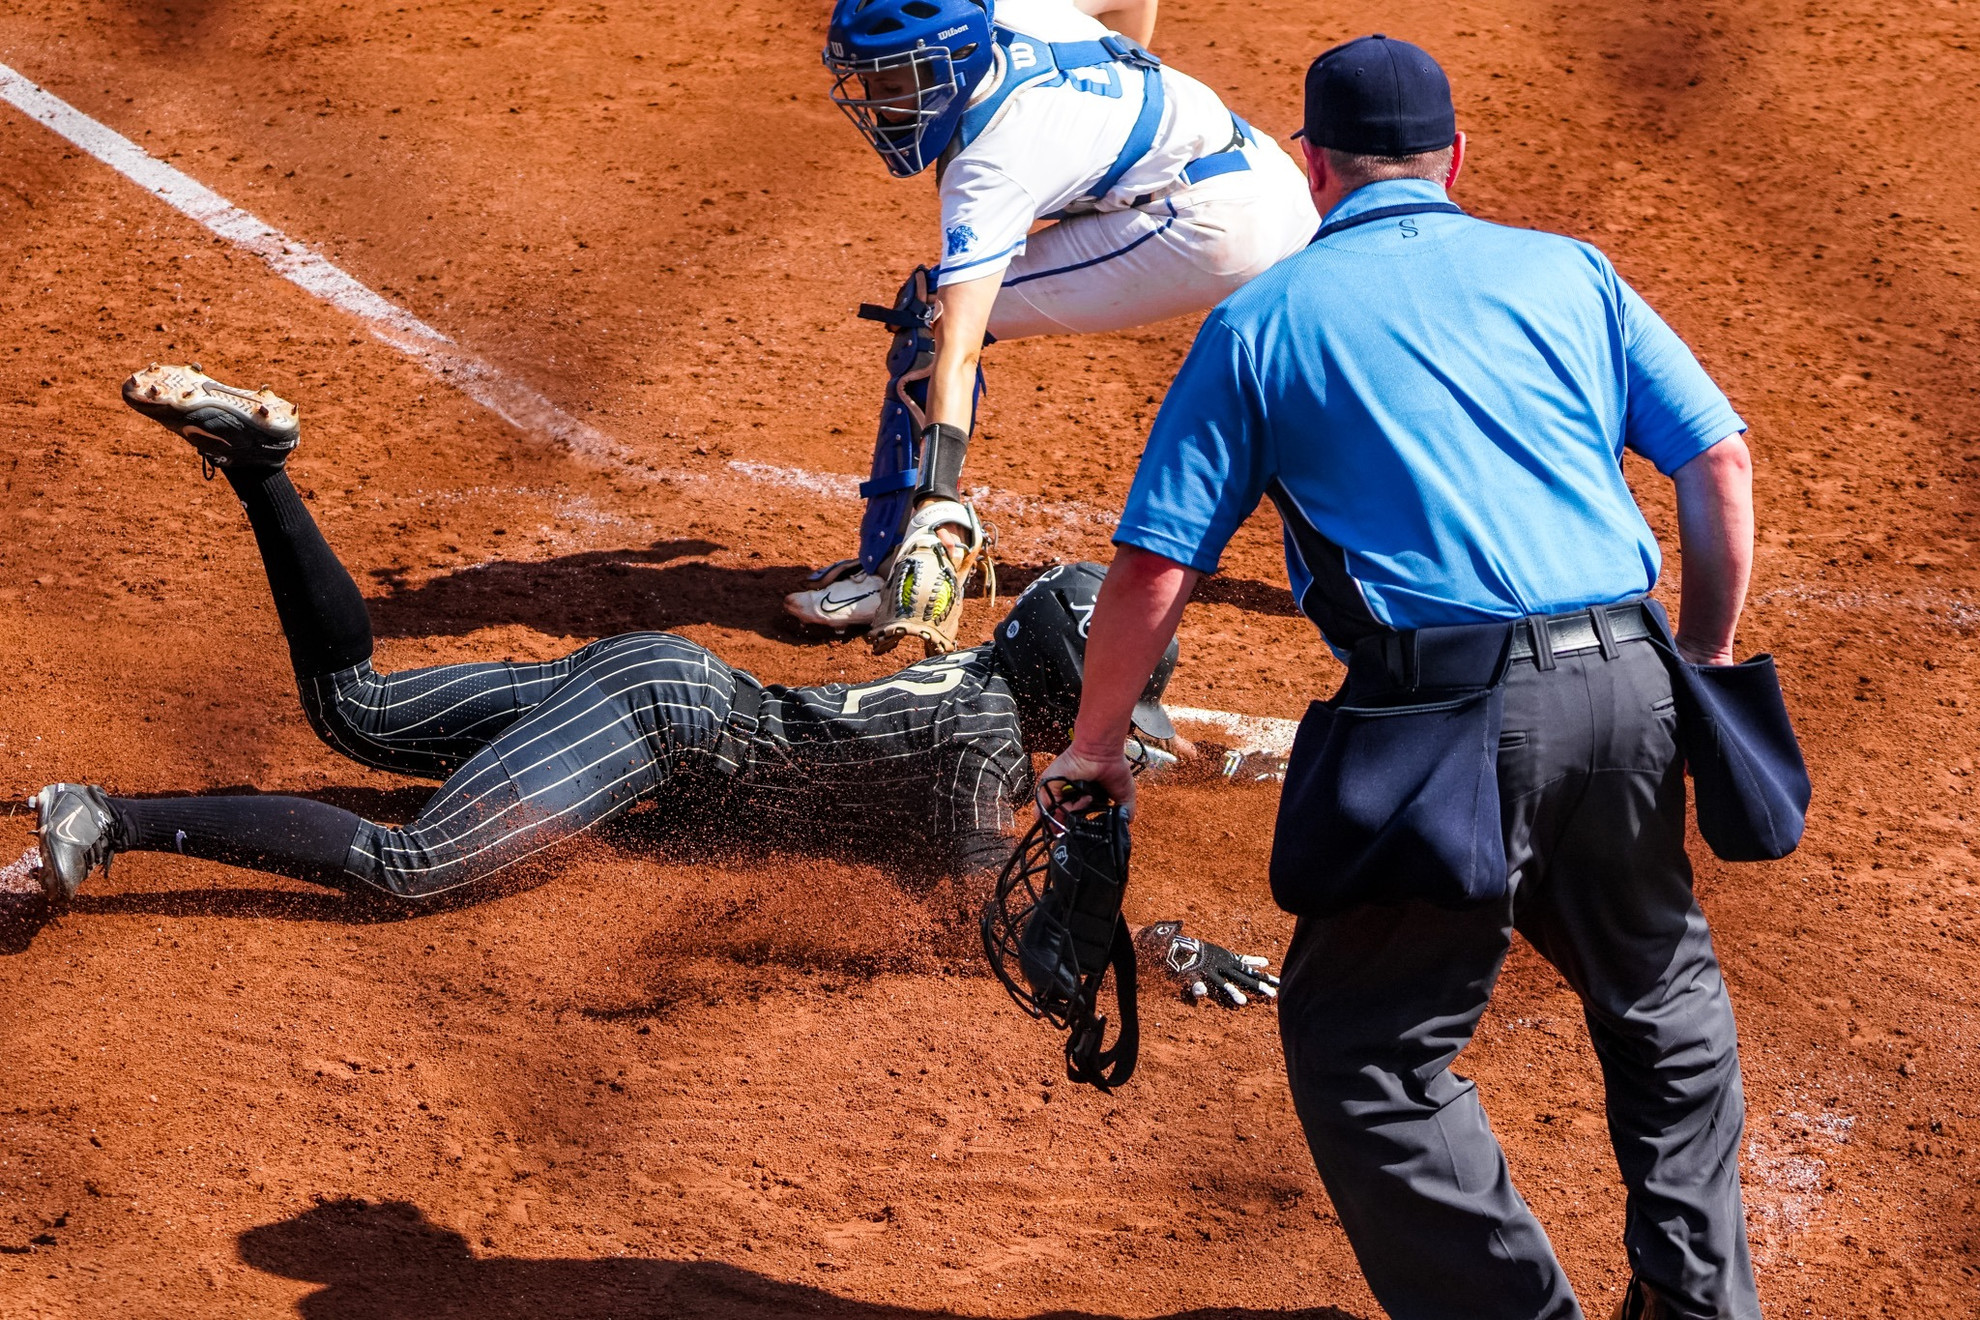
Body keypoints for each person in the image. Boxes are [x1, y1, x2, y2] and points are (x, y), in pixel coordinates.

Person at [1038, 35, 1761, 1320]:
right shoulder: (1570, 270)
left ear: (1313, 168)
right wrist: (1696, 657)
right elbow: (1717, 463)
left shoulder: (1262, 319)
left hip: (1453, 722)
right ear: (1454, 158)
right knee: (1665, 1007)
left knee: (1364, 1050)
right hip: (1631, 682)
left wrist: (1097, 744)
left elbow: (1156, 566)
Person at [28, 366, 1270, 1006]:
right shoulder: (986, 750)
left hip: (667, 676)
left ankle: (259, 469)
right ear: (1073, 680)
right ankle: (115, 818)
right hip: (659, 719)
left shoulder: (982, 695)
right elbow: (993, 926)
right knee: (409, 871)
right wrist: (1150, 951)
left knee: (353, 712)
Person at [784, 0, 1316, 655]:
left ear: (954, 59)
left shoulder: (992, 166)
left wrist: (940, 498)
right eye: (870, 81)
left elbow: (958, 346)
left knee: (928, 319)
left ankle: (892, 563)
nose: (881, 102)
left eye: (897, 82)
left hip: (1209, 228)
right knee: (1302, 382)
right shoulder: (1011, 9)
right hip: (1276, 183)